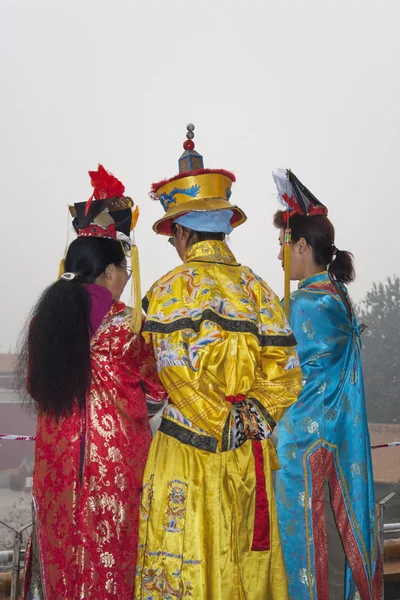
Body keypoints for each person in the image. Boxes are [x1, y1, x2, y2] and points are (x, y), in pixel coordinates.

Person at [134, 126, 303, 600]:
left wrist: (221, 423)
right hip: (247, 459)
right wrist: (250, 418)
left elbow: (174, 376)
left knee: (188, 572)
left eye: (174, 236)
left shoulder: (169, 292)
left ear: (184, 231)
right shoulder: (259, 291)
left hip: (188, 459)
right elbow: (287, 372)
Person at [17, 165, 165, 600]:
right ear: (108, 272)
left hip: (55, 468)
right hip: (112, 473)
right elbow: (158, 392)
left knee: (62, 566)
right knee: (110, 570)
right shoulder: (126, 327)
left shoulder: (46, 321)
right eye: (124, 271)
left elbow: (34, 384)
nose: (126, 281)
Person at [272, 168, 383, 600]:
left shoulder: (301, 306)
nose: (281, 257)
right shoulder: (338, 298)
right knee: (333, 555)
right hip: (335, 442)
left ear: (302, 246)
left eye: (285, 247)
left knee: (302, 560)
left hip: (300, 447)